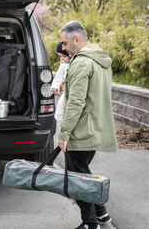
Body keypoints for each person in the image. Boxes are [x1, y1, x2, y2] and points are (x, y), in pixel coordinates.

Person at [58, 21, 117, 229]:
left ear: (76, 39)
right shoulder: (99, 59)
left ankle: (90, 224)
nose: (63, 48)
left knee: (78, 179)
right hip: (95, 128)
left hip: (81, 132)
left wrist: (64, 133)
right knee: (83, 175)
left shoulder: (82, 63)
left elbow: (75, 102)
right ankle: (101, 215)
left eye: (65, 43)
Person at [50, 42, 71, 122]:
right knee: (59, 110)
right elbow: (58, 76)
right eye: (60, 56)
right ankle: (62, 123)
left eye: (64, 56)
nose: (62, 58)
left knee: (64, 110)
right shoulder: (63, 63)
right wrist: (55, 86)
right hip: (65, 92)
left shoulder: (75, 63)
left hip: (70, 90)